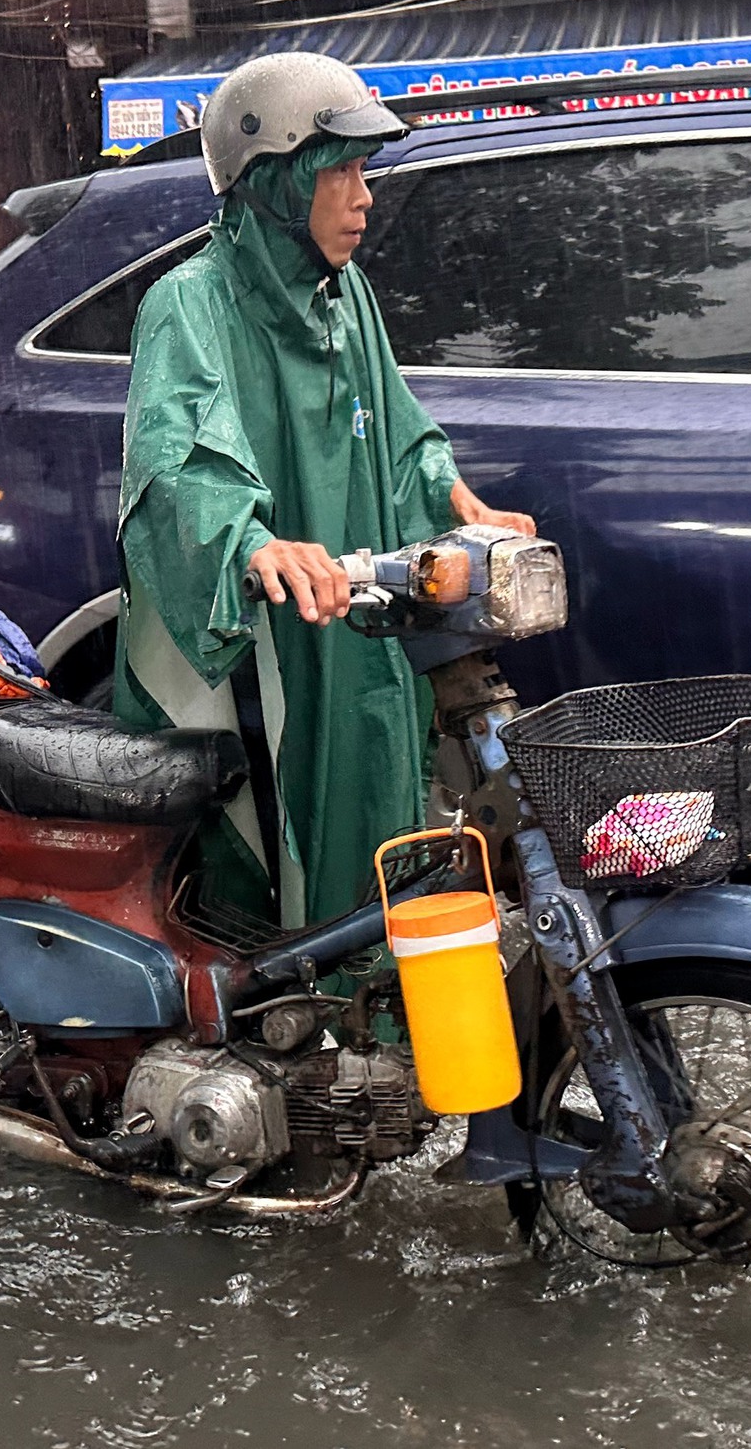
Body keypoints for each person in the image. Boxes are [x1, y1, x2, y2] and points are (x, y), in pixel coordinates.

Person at [114, 51, 534, 936]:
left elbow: (398, 434)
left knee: (380, 823)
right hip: (264, 637)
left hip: (352, 624)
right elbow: (178, 461)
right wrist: (250, 543)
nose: (363, 195)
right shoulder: (189, 304)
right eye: (338, 170)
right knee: (257, 867)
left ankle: (355, 1033)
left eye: (362, 170)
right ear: (272, 180)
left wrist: (456, 500)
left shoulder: (349, 300)